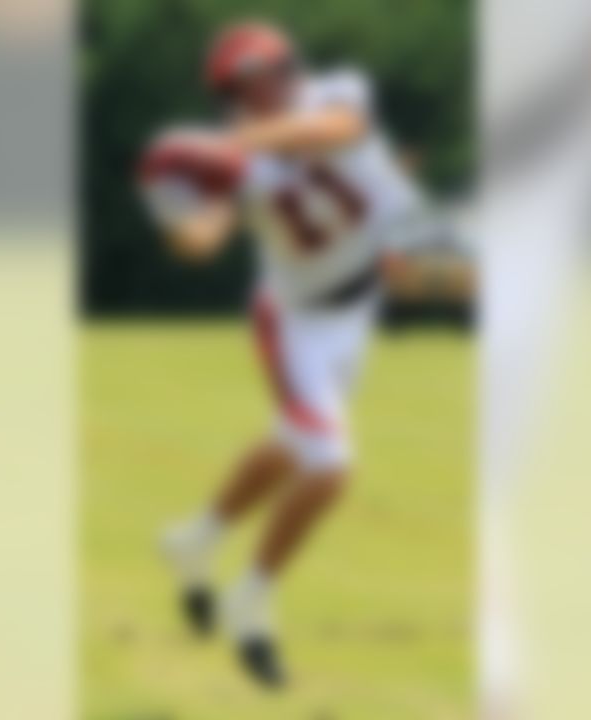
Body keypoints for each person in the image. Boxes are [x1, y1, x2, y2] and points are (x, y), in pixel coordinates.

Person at [140, 20, 466, 689]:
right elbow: (201, 241)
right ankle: (251, 600)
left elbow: (335, 131)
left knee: (295, 446)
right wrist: (172, 215)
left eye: (284, 68)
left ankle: (195, 542)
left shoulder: (333, 92)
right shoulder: (240, 166)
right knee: (330, 467)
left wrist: (230, 144)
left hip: (372, 284)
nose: (285, 84)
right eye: (264, 80)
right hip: (297, 323)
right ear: (233, 95)